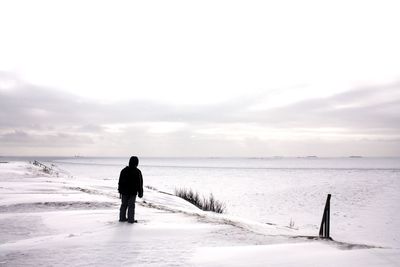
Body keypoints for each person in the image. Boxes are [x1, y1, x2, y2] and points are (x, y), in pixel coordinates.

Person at [118, 156, 143, 223]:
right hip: (132, 192)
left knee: (124, 205)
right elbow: (140, 183)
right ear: (136, 163)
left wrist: (120, 191)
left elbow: (120, 182)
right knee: (131, 205)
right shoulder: (137, 171)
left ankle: (122, 218)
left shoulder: (124, 170)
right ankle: (130, 219)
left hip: (124, 191)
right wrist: (140, 192)